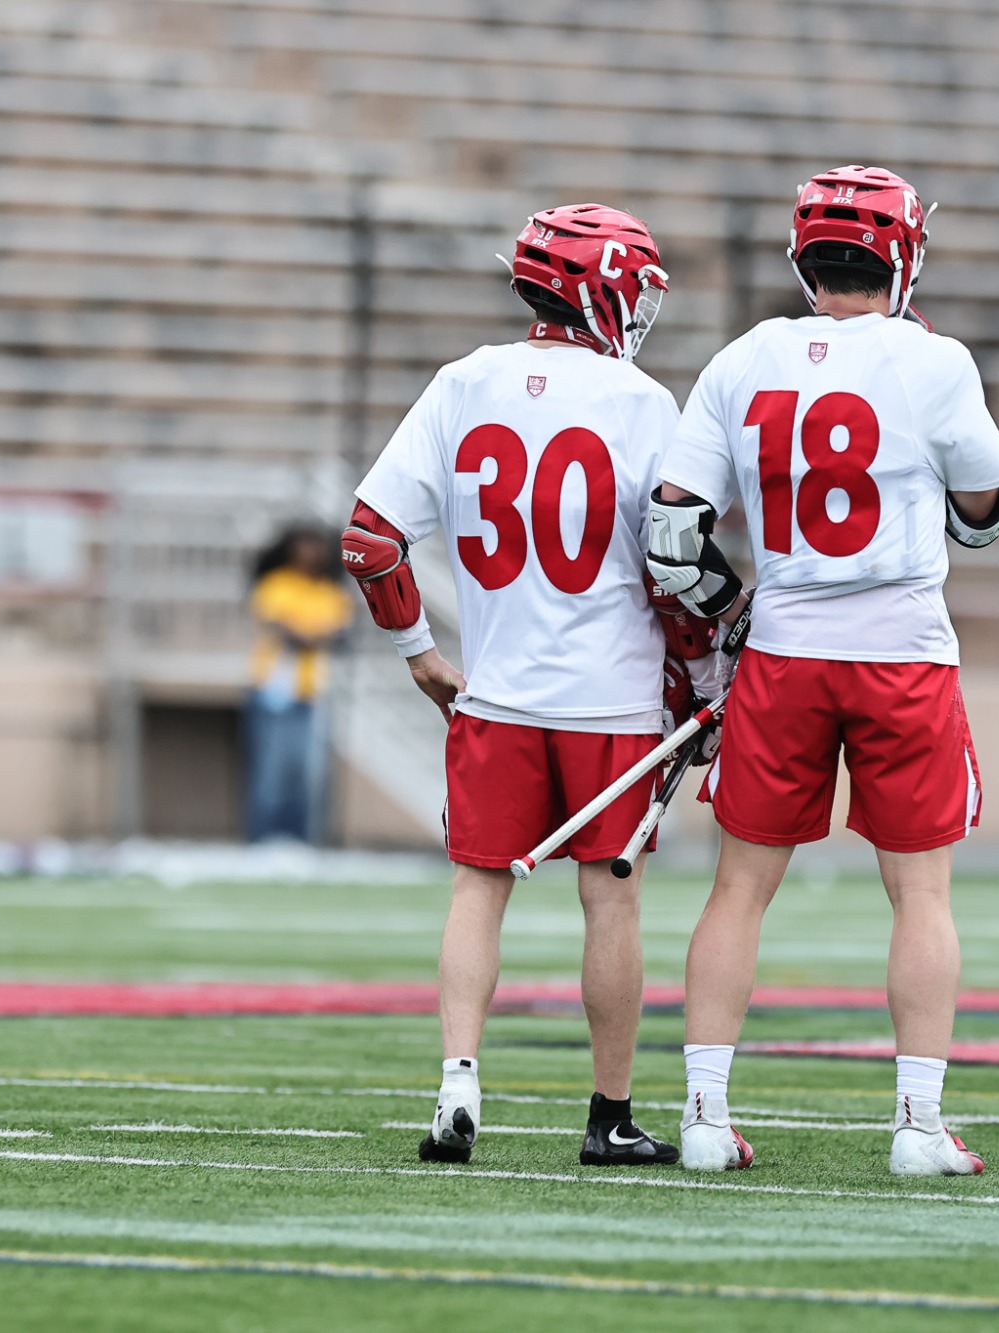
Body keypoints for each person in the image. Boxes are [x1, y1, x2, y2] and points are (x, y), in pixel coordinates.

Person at [644, 165, 999, 1177]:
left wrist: (735, 609)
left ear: (802, 259)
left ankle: (704, 1118)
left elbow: (672, 536)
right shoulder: (932, 360)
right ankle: (914, 1124)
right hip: (899, 652)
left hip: (785, 653)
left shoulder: (743, 358)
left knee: (737, 889)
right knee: (921, 893)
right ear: (900, 256)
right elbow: (983, 512)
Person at [342, 203, 692, 1167]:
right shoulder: (641, 403)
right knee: (611, 901)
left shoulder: (465, 382)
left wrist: (418, 647)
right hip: (613, 703)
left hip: (494, 694)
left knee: (475, 889)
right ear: (604, 288)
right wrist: (702, 674)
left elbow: (371, 538)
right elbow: (678, 563)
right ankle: (608, 1113)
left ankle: (459, 1083)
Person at [244, 524, 353, 843]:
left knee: (308, 777)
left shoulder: (330, 592)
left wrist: (309, 635)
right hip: (274, 692)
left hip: (314, 692)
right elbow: (287, 635)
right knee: (270, 775)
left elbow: (343, 636)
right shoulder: (276, 585)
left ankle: (300, 844)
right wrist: (317, 635)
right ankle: (263, 842)